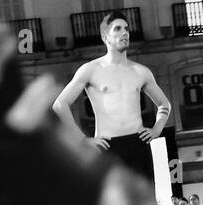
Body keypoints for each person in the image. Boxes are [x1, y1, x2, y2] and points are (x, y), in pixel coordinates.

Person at [51, 11, 171, 186]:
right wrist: (82, 140)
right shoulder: (91, 69)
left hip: (138, 144)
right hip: (108, 146)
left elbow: (164, 104)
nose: (125, 32)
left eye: (127, 29)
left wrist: (157, 129)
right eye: (118, 29)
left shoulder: (141, 71)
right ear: (105, 37)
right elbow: (60, 104)